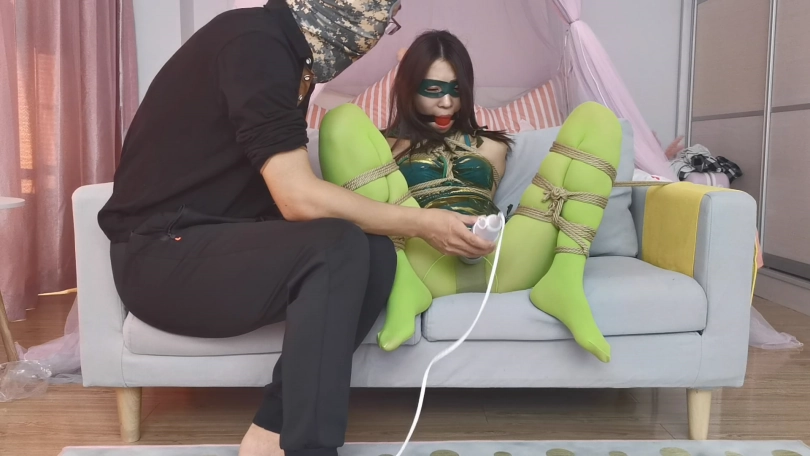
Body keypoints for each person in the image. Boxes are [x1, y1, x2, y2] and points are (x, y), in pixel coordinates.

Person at [97, 2, 495, 456]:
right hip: (159, 258)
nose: (378, 32)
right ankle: (309, 448)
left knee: (376, 252)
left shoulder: (289, 61)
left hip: (213, 242)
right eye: (381, 14)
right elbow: (297, 197)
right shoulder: (253, 44)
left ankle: (272, 432)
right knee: (337, 243)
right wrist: (423, 222)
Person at [317, 30, 624, 363]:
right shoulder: (380, 147)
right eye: (433, 90)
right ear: (408, 88)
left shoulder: (493, 146)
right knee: (341, 120)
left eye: (456, 90)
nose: (447, 102)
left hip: (503, 260)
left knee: (598, 118)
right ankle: (400, 287)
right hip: (420, 260)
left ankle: (565, 281)